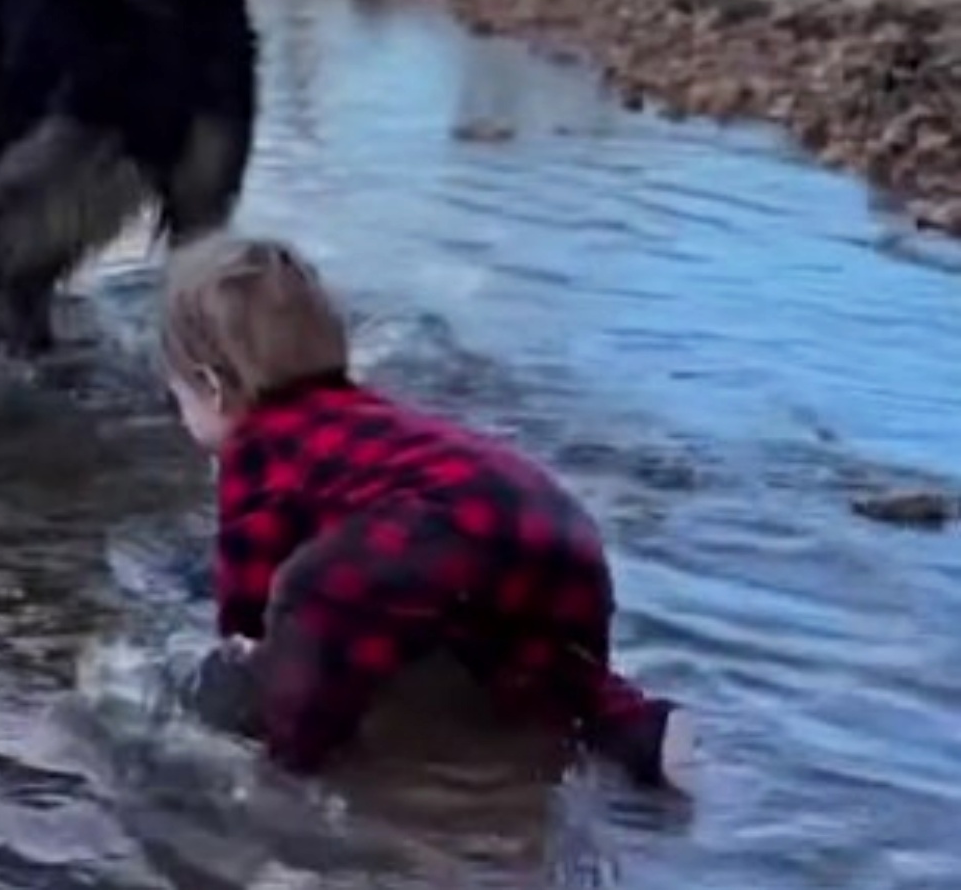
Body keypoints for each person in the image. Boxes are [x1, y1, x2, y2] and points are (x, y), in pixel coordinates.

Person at [157, 233, 697, 787]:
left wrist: (251, 668)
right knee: (552, 675)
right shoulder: (366, 414)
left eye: (178, 399)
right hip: (555, 525)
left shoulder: (258, 448)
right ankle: (641, 736)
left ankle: (294, 773)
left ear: (211, 387)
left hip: (438, 534)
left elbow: (250, 608)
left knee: (307, 604)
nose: (182, 417)